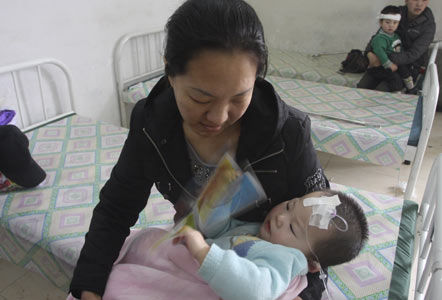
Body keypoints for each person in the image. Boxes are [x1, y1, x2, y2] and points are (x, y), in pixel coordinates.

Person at [70, 0, 329, 299]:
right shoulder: (151, 124)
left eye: (239, 97)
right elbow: (117, 208)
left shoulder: (288, 133)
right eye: (200, 98)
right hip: (197, 254)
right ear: (169, 71)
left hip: (262, 272)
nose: (218, 117)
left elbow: (321, 231)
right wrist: (88, 288)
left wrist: (304, 295)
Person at [171, 190, 369, 300]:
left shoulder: (285, 260)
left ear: (310, 263)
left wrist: (202, 251)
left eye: (292, 228)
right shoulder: (259, 231)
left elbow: (255, 290)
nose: (280, 217)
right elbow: (223, 232)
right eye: (290, 205)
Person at [357, 0, 436, 92]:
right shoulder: (395, 13)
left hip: (407, 69)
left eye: (424, 0)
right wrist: (369, 53)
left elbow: (413, 54)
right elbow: (378, 37)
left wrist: (386, 57)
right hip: (383, 63)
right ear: (406, 0)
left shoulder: (428, 25)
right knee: (361, 88)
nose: (419, 4)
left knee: (380, 92)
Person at [363, 6, 415, 92]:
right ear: (381, 22)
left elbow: (399, 48)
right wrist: (388, 64)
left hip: (394, 61)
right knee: (393, 78)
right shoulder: (379, 38)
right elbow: (380, 52)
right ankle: (396, 92)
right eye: (387, 22)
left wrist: (400, 59)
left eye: (395, 23)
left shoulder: (395, 36)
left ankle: (410, 85)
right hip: (381, 66)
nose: (391, 25)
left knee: (404, 70)